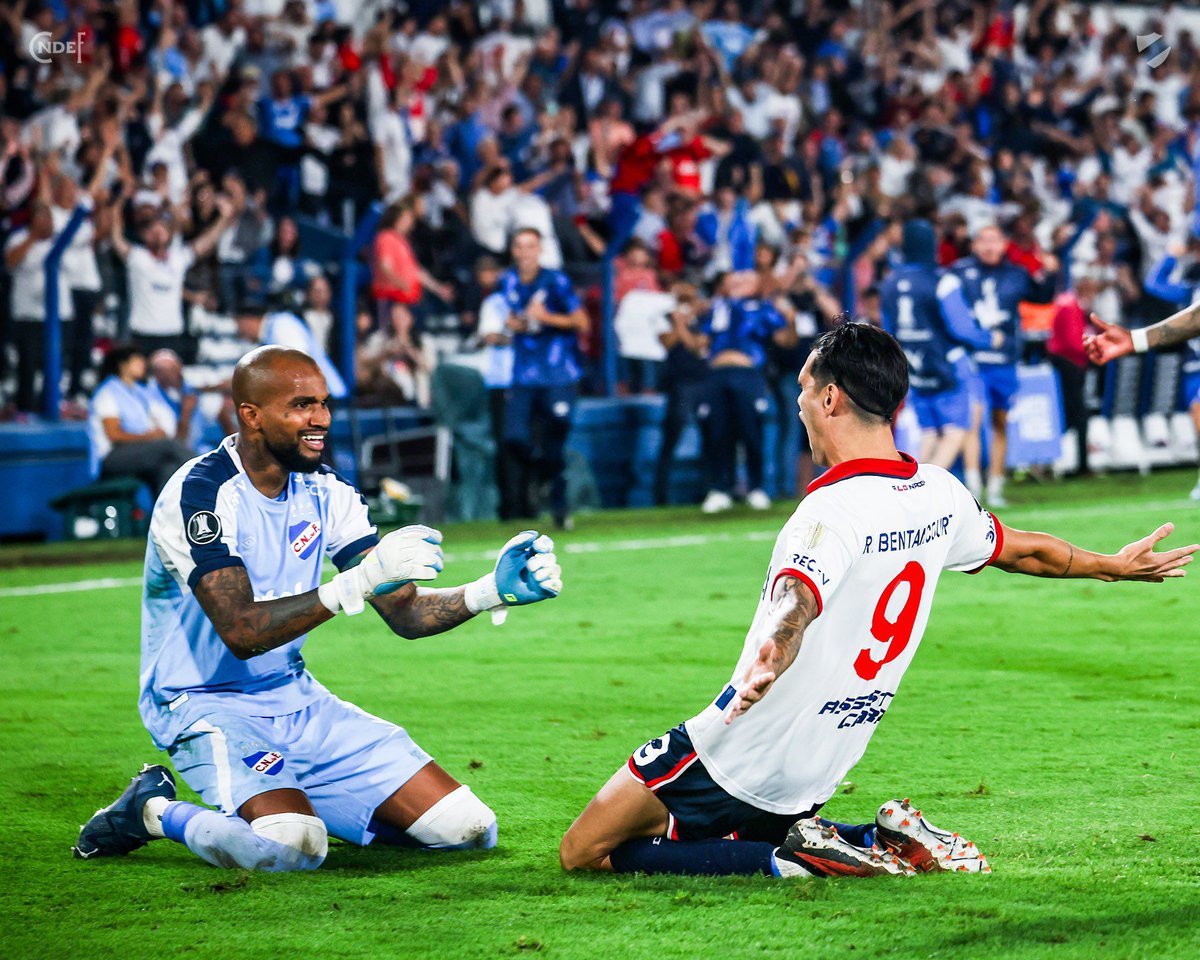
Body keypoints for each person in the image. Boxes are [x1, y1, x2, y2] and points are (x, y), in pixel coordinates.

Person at [558, 323, 1196, 880]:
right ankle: (871, 838)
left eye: (806, 391)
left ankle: (790, 859)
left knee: (586, 851)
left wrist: (766, 659)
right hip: (822, 763)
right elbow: (1025, 550)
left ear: (830, 397)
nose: (801, 404)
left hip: (742, 746)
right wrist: (1108, 565)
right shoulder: (939, 493)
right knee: (702, 838)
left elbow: (794, 600)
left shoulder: (828, 510)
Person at [74, 345, 564, 871]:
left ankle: (296, 796)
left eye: (325, 403)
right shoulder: (201, 493)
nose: (321, 419)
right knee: (289, 848)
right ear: (251, 416)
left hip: (295, 697)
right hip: (203, 700)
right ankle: (151, 809)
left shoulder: (326, 490)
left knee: (469, 830)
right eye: (302, 405)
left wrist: (491, 591)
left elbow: (406, 613)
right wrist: (354, 583)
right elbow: (241, 631)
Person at [952, 224, 1054, 506]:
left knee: (1000, 421)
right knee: (971, 419)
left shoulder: (1017, 274)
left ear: (1004, 244)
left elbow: (1043, 296)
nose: (988, 246)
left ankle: (995, 486)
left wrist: (1051, 271)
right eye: (983, 240)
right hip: (972, 358)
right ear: (974, 244)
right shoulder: (959, 272)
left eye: (994, 240)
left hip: (1005, 359)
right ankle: (972, 487)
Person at [881, 220, 995, 470]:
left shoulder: (889, 283)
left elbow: (887, 330)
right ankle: (922, 491)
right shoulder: (942, 281)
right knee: (955, 432)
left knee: (930, 433)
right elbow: (961, 328)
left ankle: (907, 489)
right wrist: (987, 339)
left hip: (913, 366)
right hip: (946, 364)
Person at [498, 227, 590, 528]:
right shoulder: (508, 280)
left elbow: (581, 321)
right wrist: (515, 324)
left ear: (539, 250)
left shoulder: (556, 281)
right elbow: (515, 322)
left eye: (530, 246)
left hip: (557, 373)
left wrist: (544, 317)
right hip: (523, 374)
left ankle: (559, 507)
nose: (525, 252)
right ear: (513, 250)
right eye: (519, 246)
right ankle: (541, 474)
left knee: (556, 438)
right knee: (513, 437)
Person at [697, 272, 797, 514]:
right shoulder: (716, 307)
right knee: (717, 430)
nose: (737, 282)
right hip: (717, 373)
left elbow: (786, 341)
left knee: (751, 431)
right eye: (733, 279)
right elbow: (700, 342)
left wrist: (791, 319)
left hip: (747, 374)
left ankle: (756, 487)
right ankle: (720, 488)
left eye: (744, 279)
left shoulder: (763, 309)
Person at [111, 193, 238, 361]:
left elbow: (204, 243)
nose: (158, 231)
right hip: (142, 332)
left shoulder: (178, 258)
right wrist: (117, 207)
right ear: (144, 234)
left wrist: (223, 220)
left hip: (171, 333)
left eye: (162, 227)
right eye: (152, 228)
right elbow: (116, 239)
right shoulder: (137, 257)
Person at [88, 344, 195, 494]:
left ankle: (166, 515)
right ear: (123, 365)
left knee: (167, 468)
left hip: (138, 452)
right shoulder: (108, 393)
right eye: (137, 361)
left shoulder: (139, 393)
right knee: (168, 446)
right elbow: (114, 435)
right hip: (112, 458)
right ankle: (206, 471)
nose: (143, 364)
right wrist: (149, 436)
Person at [236, 302, 348, 400]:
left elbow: (299, 362)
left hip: (322, 393)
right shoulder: (265, 337)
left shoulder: (281, 324)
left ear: (247, 320)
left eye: (238, 324)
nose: (238, 331)